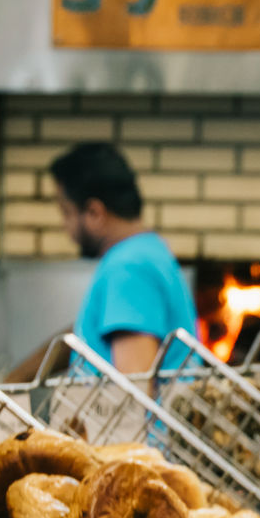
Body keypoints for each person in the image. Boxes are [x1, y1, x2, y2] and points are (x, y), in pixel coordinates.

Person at [48, 142, 198, 374]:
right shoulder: (149, 251)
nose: (64, 225)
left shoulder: (129, 269)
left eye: (66, 212)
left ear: (94, 213)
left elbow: (133, 395)